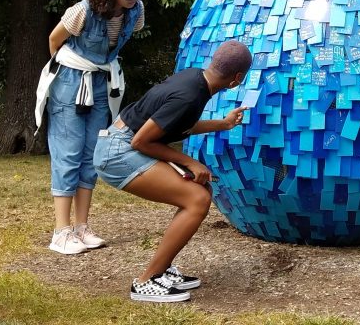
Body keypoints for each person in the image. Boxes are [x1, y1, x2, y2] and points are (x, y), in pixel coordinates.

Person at [93, 41, 251, 302]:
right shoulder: (190, 95)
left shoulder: (195, 79)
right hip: (118, 152)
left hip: (121, 142)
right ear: (237, 78)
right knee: (197, 199)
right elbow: (141, 141)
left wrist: (222, 124)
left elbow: (175, 123)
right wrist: (191, 162)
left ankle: (162, 270)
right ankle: (146, 282)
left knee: (200, 191)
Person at [34, 0, 148, 255]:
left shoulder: (136, 12)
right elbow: (54, 41)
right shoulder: (81, 11)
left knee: (91, 153)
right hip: (71, 80)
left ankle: (82, 228)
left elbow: (113, 48)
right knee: (68, 151)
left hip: (102, 81)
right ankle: (61, 232)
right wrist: (71, 70)